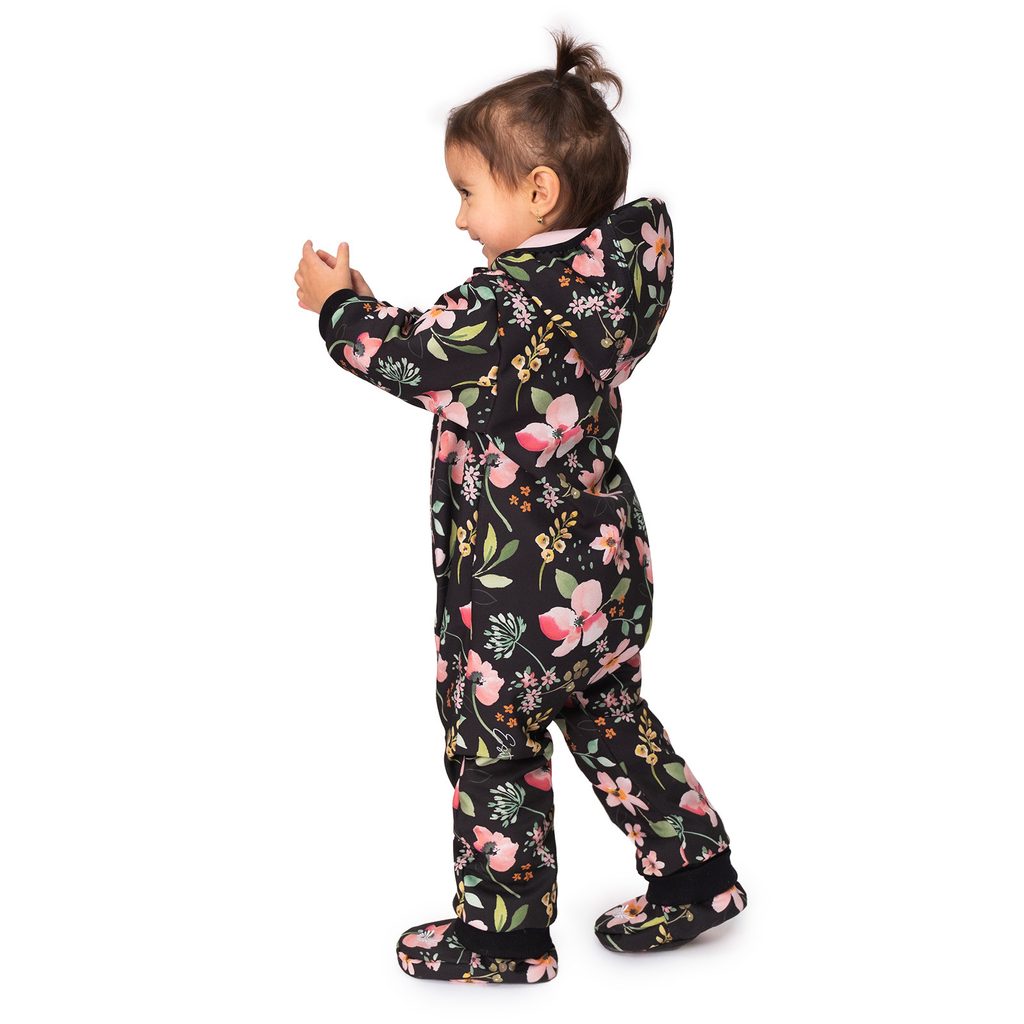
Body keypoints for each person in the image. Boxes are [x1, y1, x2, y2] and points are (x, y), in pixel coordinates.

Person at [293, 28, 747, 985]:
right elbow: (459, 350)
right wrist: (387, 311)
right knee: (609, 713)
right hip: (602, 570)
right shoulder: (603, 286)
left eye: (468, 192)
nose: (459, 217)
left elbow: (413, 357)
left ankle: (504, 937)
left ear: (538, 191)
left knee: (491, 740)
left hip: (518, 594)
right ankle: (696, 873)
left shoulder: (505, 303)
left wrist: (338, 308)